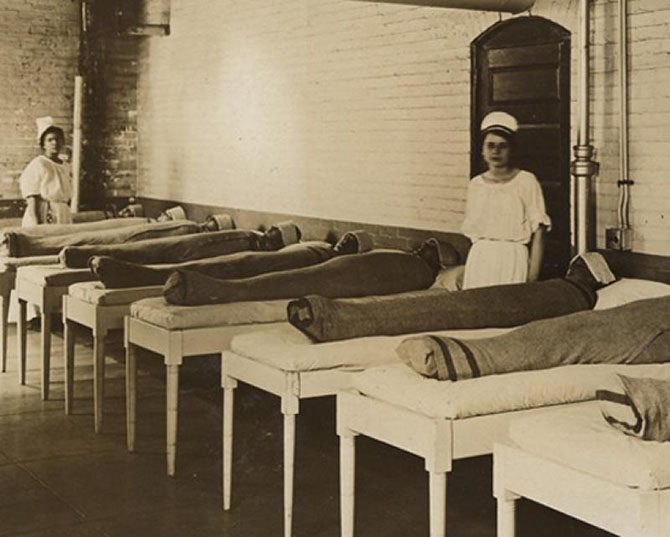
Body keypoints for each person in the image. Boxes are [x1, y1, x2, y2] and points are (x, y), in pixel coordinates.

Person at [461, 111, 551, 289]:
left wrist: (532, 278)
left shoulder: (526, 181)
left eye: (503, 146)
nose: (496, 151)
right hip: (480, 260)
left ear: (512, 150)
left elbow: (539, 232)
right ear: (482, 150)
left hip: (513, 259)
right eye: (490, 145)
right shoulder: (476, 184)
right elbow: (473, 232)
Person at [19, 116, 73, 227]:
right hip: (45, 212)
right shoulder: (39, 163)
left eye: (58, 139)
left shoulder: (65, 166)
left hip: (62, 213)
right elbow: (31, 196)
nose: (55, 143)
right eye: (50, 140)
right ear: (43, 144)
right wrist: (36, 223)